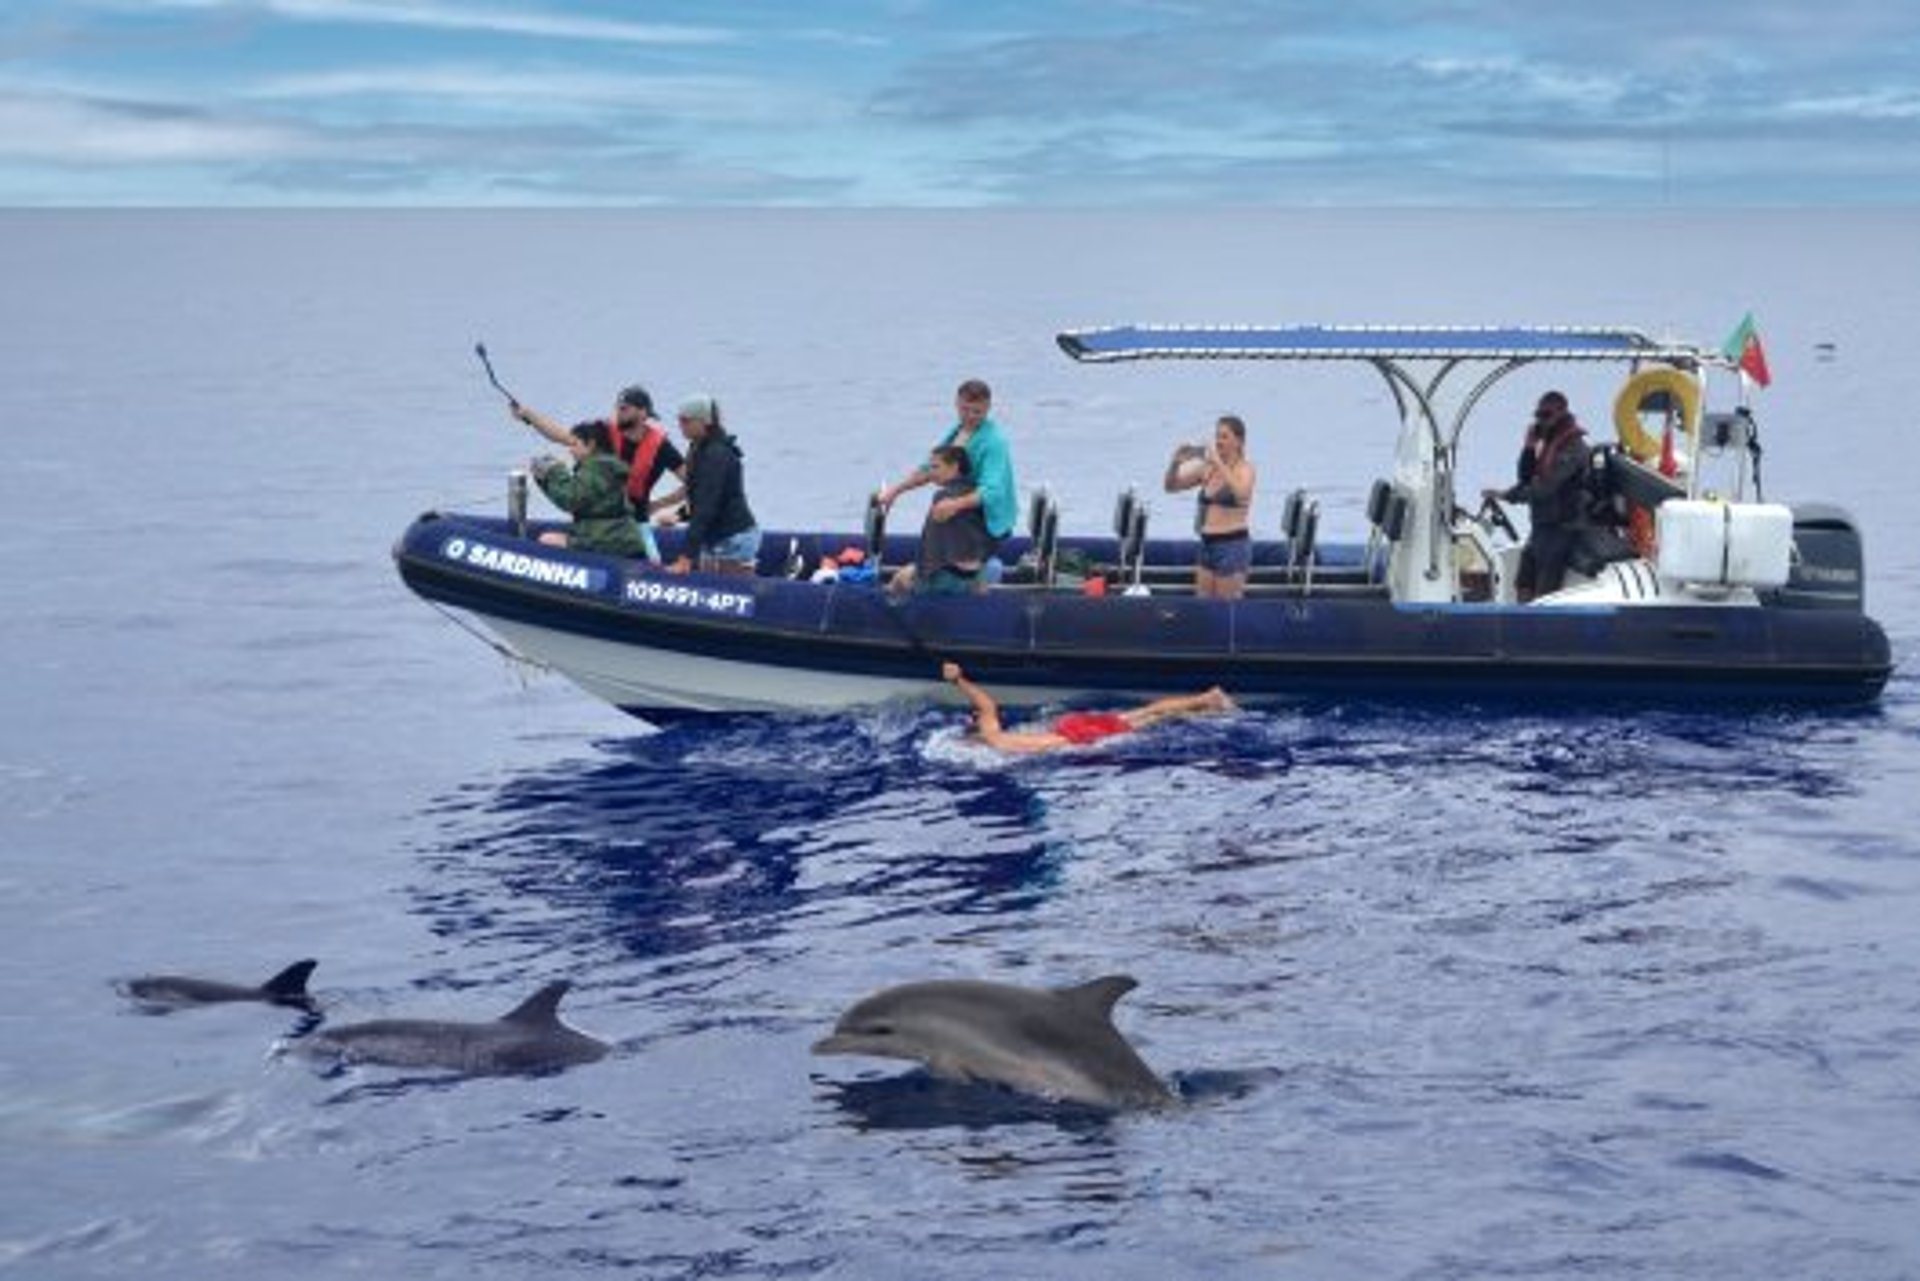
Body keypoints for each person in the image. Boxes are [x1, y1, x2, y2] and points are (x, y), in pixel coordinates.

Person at [941, 662, 1235, 756]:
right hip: (1071, 726)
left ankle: (1208, 700)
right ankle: (1205, 701)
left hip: (1076, 738)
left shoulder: (997, 741)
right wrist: (958, 680)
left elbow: (987, 707)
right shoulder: (996, 734)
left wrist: (959, 680)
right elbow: (987, 706)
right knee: (1144, 713)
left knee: (1150, 719)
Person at [876, 379, 1018, 561]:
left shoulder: (994, 443)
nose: (970, 416)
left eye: (977, 412)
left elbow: (991, 492)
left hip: (987, 520)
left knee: (943, 501)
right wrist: (895, 491)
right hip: (960, 505)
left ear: (988, 408)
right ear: (957, 404)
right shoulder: (958, 430)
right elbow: (930, 468)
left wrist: (954, 505)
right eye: (965, 409)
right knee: (941, 501)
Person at [510, 384, 688, 521]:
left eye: (624, 409)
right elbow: (563, 437)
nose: (618, 412)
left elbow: (693, 483)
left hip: (635, 522)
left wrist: (658, 505)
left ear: (643, 412)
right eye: (618, 407)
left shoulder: (662, 447)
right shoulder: (604, 432)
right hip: (596, 519)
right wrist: (529, 416)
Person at [1482, 390, 1591, 601]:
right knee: (1523, 580)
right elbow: (1526, 477)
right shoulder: (1549, 444)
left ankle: (1542, 631)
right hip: (1542, 527)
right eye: (1538, 416)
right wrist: (1529, 447)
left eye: (1546, 416)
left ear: (1561, 413)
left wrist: (1509, 496)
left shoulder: (1575, 448)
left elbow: (1544, 489)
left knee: (1545, 591)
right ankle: (1522, 626)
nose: (1542, 421)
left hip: (1562, 528)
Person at [666, 395, 761, 576]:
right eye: (679, 420)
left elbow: (707, 506)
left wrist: (685, 558)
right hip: (715, 537)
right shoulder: (697, 447)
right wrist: (679, 517)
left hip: (734, 538)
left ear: (704, 422)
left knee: (730, 592)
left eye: (686, 421)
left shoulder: (716, 455)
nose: (680, 425)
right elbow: (698, 495)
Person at [1163, 414, 1256, 600]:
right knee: (1203, 603)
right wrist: (1175, 462)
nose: (1218, 441)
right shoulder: (1208, 468)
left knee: (1225, 610)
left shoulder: (1246, 469)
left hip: (1232, 545)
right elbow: (1170, 487)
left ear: (1238, 441)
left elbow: (1242, 493)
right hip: (1207, 544)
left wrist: (1219, 462)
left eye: (1224, 436)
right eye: (1217, 436)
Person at [528, 420, 648, 557]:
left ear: (591, 444)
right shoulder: (604, 466)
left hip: (609, 541)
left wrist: (554, 471)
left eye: (575, 444)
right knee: (553, 533)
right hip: (616, 537)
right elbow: (570, 499)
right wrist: (544, 479)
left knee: (547, 539)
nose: (570, 450)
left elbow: (571, 499)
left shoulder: (598, 468)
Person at [889, 445, 993, 596]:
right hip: (975, 575)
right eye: (930, 467)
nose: (931, 473)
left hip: (951, 580)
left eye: (936, 467)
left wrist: (920, 578)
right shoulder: (976, 494)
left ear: (954, 467)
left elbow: (931, 548)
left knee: (900, 578)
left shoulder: (943, 498)